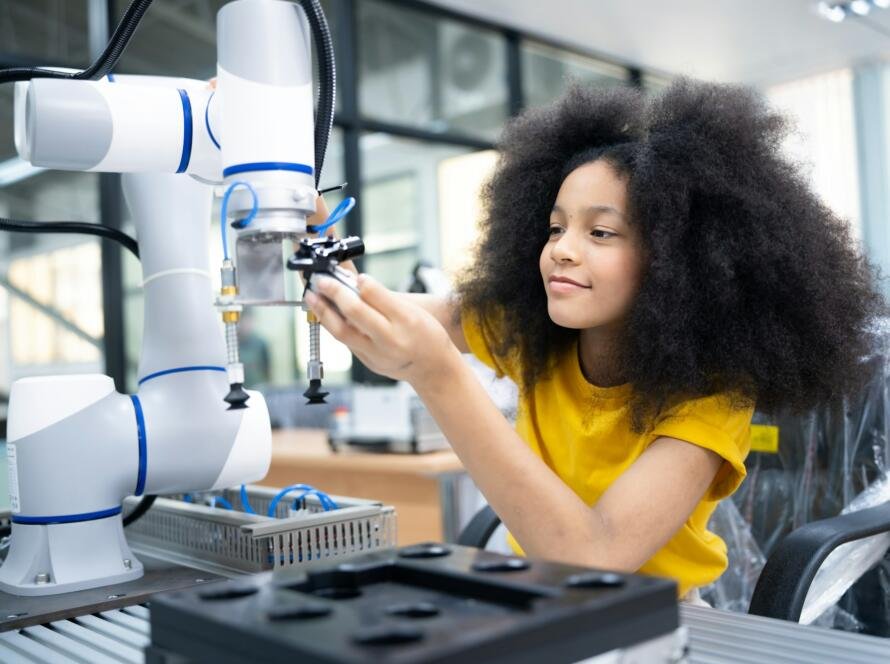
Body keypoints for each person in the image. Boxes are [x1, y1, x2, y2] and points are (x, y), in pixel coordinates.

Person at [303, 79, 885, 600]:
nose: (563, 248)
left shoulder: (711, 397)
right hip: (549, 603)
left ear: (675, 262)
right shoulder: (535, 332)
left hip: (656, 624)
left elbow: (597, 556)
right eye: (556, 226)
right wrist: (326, 265)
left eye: (600, 232)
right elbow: (398, 311)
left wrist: (437, 374)